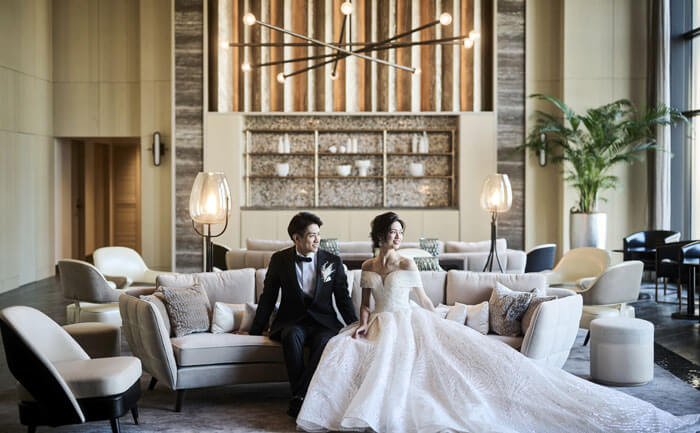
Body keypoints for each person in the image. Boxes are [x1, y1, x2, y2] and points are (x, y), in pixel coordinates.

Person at [296, 211, 700, 433]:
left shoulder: (408, 263)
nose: (398, 237)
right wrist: (361, 324)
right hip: (380, 322)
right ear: (380, 235)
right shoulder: (368, 266)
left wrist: (437, 317)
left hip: (408, 319)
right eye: (393, 232)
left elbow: (422, 299)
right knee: (343, 347)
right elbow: (366, 303)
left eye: (401, 232)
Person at [248, 212, 357, 418]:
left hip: (323, 323)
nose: (317, 240)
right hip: (292, 321)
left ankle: (299, 396)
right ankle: (302, 396)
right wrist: (254, 330)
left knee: (324, 342)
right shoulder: (279, 260)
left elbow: (343, 299)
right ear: (296, 238)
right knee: (291, 336)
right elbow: (268, 297)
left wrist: (355, 326)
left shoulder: (332, 261)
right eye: (311, 235)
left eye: (319, 234)